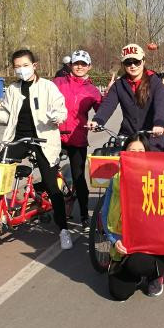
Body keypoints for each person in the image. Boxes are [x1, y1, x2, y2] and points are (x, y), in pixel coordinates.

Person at [0, 49, 73, 250]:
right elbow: (7, 117)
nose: (21, 70)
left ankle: (63, 230)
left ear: (34, 66)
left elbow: (61, 111)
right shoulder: (13, 89)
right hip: (18, 138)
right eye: (17, 67)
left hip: (43, 140)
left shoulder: (48, 87)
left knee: (52, 185)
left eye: (25, 65)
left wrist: (56, 116)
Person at [101, 136, 164, 300]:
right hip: (123, 244)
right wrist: (114, 240)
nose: (136, 155)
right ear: (124, 154)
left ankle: (154, 274)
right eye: (132, 151)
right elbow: (105, 213)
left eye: (140, 151)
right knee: (119, 293)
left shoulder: (156, 178)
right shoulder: (116, 180)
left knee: (137, 264)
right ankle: (131, 272)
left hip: (150, 245)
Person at [54, 49, 102, 224]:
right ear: (70, 65)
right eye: (76, 63)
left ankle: (83, 215)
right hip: (54, 136)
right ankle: (51, 208)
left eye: (83, 64)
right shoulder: (57, 82)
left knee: (79, 178)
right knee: (48, 174)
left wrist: (98, 121)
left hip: (77, 137)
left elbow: (101, 112)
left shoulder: (92, 90)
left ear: (89, 66)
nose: (79, 67)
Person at [91, 43, 164, 150]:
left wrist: (159, 123)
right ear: (123, 65)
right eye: (128, 62)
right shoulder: (119, 84)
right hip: (128, 136)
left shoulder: (155, 82)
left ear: (143, 61)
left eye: (136, 62)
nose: (133, 66)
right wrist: (97, 120)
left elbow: (160, 106)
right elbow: (108, 105)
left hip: (152, 135)